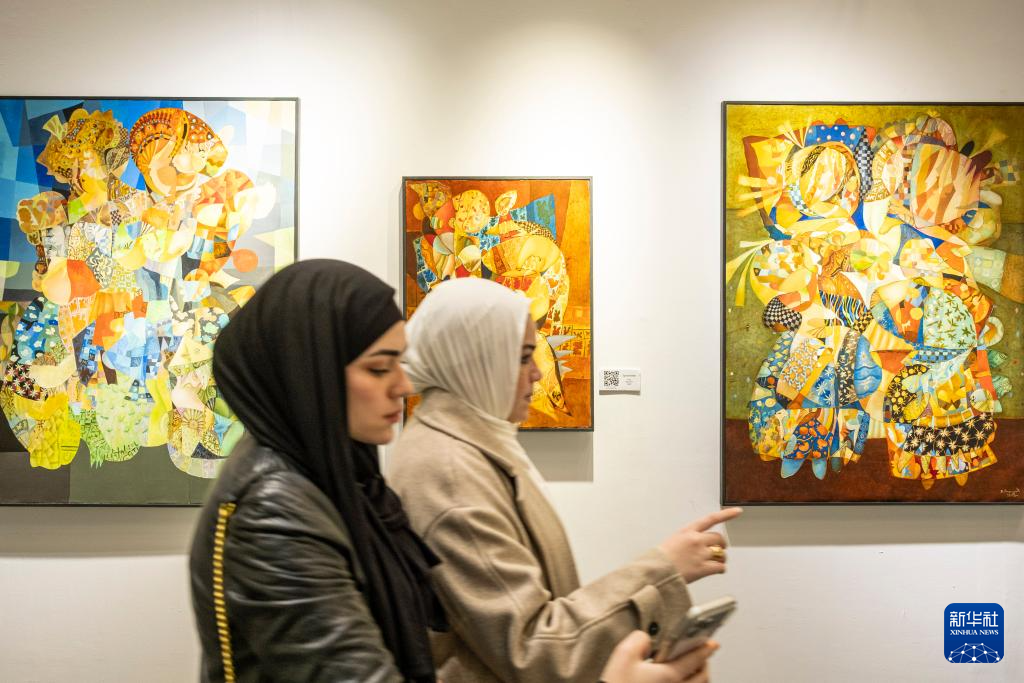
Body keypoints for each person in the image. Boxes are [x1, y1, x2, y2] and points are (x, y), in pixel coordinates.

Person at [389, 277, 741, 682]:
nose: (538, 373)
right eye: (523, 357)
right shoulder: (449, 473)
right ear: (475, 359)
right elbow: (533, 647)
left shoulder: (472, 446)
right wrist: (664, 569)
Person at [189, 259, 446, 683]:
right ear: (312, 371)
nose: (403, 386)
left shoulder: (339, 477)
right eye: (379, 368)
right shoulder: (273, 507)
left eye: (400, 364)